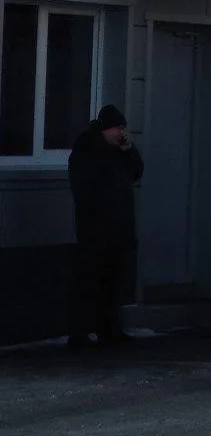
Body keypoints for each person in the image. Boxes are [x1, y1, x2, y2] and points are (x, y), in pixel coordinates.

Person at [67, 104, 144, 352]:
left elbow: (136, 171)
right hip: (96, 229)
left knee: (113, 282)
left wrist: (129, 150)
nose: (121, 133)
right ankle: (79, 333)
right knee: (90, 282)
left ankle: (109, 329)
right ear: (105, 128)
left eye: (123, 128)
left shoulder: (119, 151)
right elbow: (84, 187)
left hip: (119, 229)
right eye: (117, 128)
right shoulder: (87, 149)